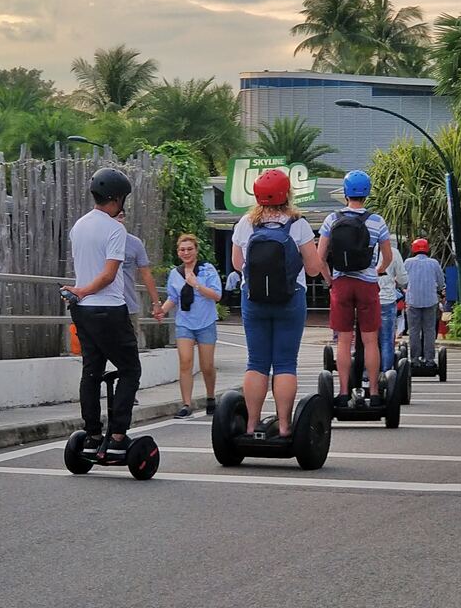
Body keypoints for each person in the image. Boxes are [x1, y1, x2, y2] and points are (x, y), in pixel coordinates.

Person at [231, 168, 329, 437]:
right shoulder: (297, 223)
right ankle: (285, 426)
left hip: (253, 300)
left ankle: (251, 425)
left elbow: (238, 265)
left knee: (257, 362)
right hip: (290, 299)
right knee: (285, 363)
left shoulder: (245, 223)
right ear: (287, 194)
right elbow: (312, 269)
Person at [67, 167, 141, 464]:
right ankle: (118, 436)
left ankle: (93, 435)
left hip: (82, 311)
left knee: (92, 371)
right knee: (130, 370)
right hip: (108, 309)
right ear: (117, 198)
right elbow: (109, 275)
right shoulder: (115, 229)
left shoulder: (79, 225)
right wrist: (85, 290)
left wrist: (80, 294)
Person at [318, 170, 392, 408]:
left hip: (341, 282)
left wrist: (330, 280)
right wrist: (376, 270)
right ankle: (373, 391)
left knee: (343, 341)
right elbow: (388, 258)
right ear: (367, 192)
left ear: (346, 191)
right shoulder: (376, 221)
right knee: (370, 340)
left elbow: (320, 258)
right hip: (367, 284)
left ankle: (342, 392)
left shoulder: (332, 219)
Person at [159, 234, 222, 418]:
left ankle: (210, 398)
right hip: (184, 323)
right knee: (185, 362)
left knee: (207, 365)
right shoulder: (174, 273)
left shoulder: (207, 270)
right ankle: (186, 403)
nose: (186, 253)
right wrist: (162, 310)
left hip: (206, 322)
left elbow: (217, 295)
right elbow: (173, 298)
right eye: (182, 250)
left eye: (189, 249)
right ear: (178, 252)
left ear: (196, 250)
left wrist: (197, 285)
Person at [116, 211, 163, 345]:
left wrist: (156, 303)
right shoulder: (99, 241)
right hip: (103, 305)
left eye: (120, 216)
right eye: (113, 217)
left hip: (128, 305)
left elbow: (146, 274)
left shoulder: (134, 243)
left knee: (129, 348)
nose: (118, 220)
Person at [404, 237, 446, 367]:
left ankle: (415, 359)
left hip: (412, 301)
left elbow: (403, 281)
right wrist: (439, 289)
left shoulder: (408, 262)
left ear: (413, 249)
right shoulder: (434, 263)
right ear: (427, 249)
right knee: (429, 330)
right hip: (430, 301)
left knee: (414, 330)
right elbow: (441, 282)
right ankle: (429, 360)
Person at [377, 236, 408, 372]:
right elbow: (403, 279)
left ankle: (367, 373)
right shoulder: (394, 252)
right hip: (387, 299)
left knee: (368, 340)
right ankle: (386, 373)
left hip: (368, 298)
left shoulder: (365, 250)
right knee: (387, 340)